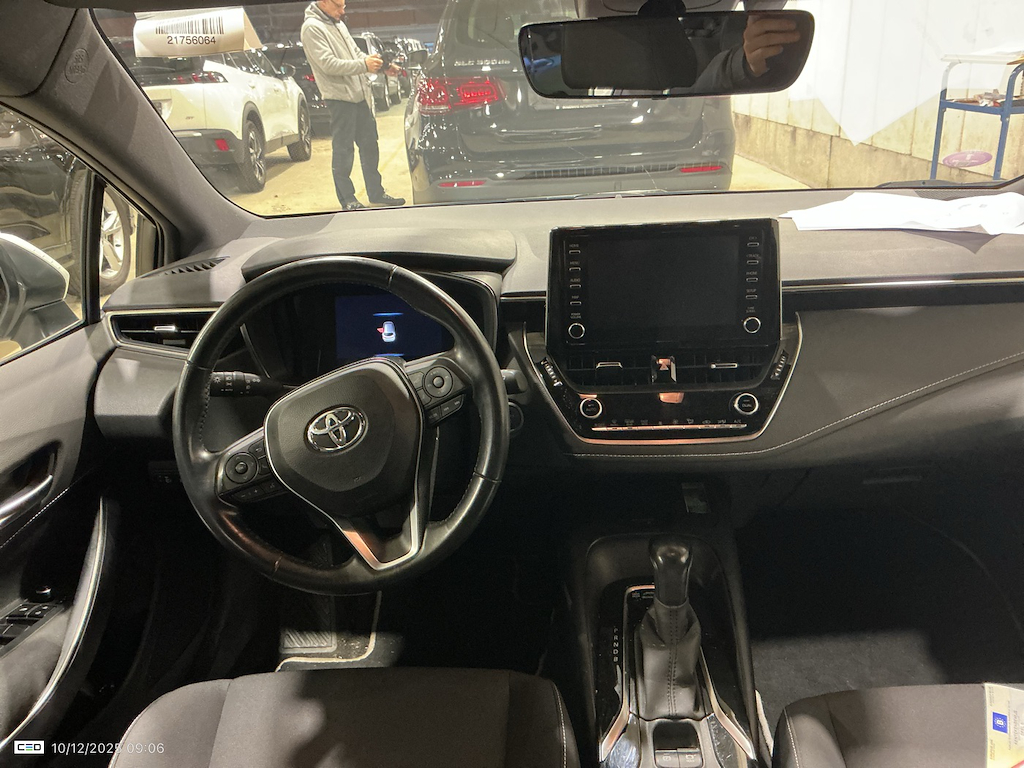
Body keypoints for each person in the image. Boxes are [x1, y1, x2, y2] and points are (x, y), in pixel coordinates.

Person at [301, 0, 405, 211]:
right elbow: (328, 64)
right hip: (340, 99)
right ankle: (347, 199)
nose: (342, 11)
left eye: (344, 5)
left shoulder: (338, 24)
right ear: (323, 2)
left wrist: (382, 66)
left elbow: (357, 54)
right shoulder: (312, 28)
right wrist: (363, 65)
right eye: (338, 6)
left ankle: (376, 192)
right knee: (344, 150)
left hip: (360, 97)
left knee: (370, 146)